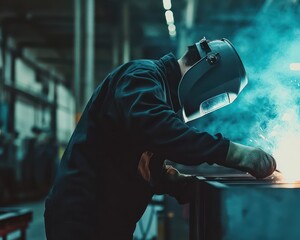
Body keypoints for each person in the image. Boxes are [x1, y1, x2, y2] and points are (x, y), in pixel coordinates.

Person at [44, 38, 277, 239]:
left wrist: (175, 182)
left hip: (105, 218)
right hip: (83, 216)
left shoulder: (157, 93)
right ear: (205, 70)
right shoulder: (140, 77)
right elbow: (163, 131)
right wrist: (236, 154)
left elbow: (137, 156)